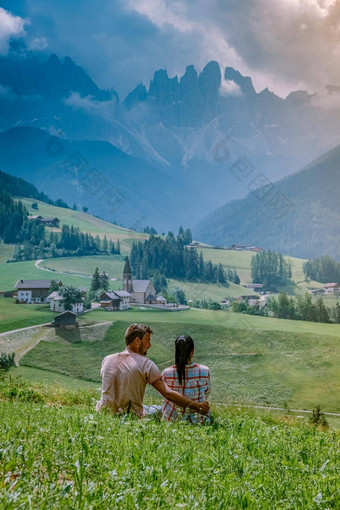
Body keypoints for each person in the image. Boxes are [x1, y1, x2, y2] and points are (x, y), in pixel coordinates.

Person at [96, 324, 210, 419]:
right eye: (147, 341)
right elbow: (168, 394)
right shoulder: (146, 364)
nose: (150, 345)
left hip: (104, 413)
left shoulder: (107, 359)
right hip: (131, 415)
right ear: (137, 341)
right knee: (159, 409)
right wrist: (197, 406)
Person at [162, 335, 211, 423]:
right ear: (192, 352)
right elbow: (207, 392)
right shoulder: (204, 371)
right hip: (199, 420)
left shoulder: (166, 373)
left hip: (173, 421)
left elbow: (164, 394)